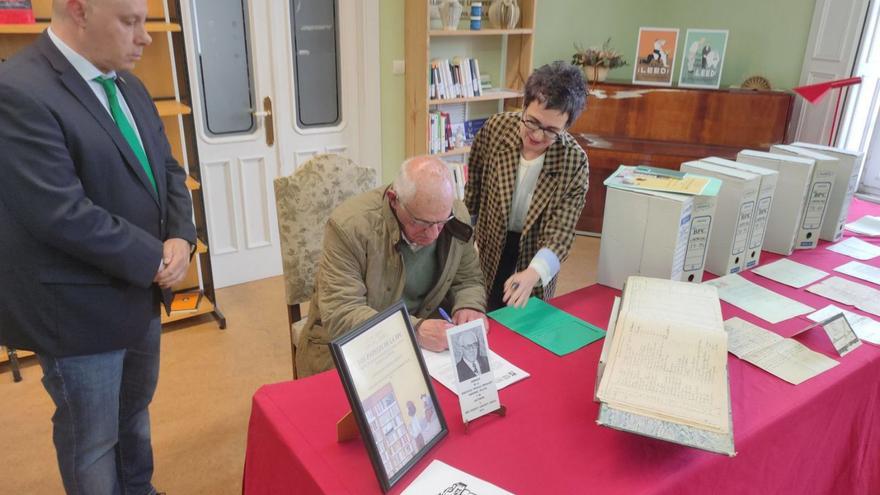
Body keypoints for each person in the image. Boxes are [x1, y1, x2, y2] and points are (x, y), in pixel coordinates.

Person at [0, 0, 196, 493]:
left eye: (145, 22)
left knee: (133, 415)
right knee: (91, 441)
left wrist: (180, 236)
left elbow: (168, 169)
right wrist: (154, 257)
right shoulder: (18, 89)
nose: (145, 37)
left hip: (139, 295)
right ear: (78, 11)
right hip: (78, 311)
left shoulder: (128, 83)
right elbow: (60, 214)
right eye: (130, 22)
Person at [296, 155, 487, 378]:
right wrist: (413, 331)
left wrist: (469, 306)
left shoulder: (456, 216)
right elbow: (342, 312)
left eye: (441, 223)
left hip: (425, 343)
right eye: (422, 223)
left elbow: (468, 279)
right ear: (394, 199)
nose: (433, 234)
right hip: (359, 345)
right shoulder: (349, 228)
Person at [464, 61, 589, 310]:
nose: (538, 136)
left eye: (551, 130)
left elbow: (561, 233)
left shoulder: (574, 161)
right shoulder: (495, 130)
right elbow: (473, 195)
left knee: (526, 322)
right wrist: (465, 245)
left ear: (566, 127)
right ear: (523, 106)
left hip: (538, 252)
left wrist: (534, 273)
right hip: (490, 244)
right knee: (483, 307)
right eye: (532, 122)